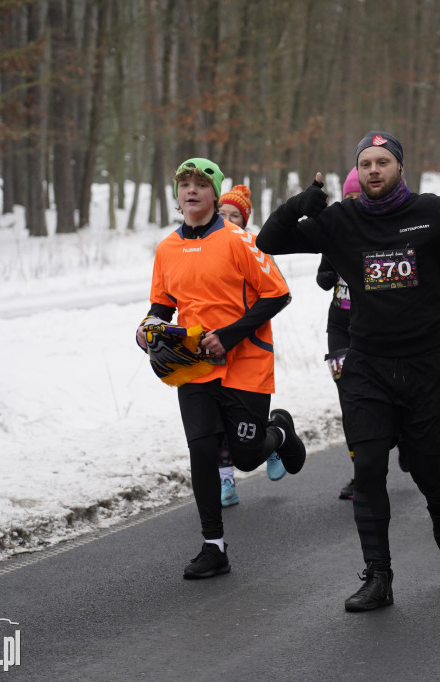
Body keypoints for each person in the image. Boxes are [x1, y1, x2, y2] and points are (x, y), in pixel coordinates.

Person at [257, 131, 440, 612]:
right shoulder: (340, 220)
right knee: (370, 466)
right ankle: (379, 576)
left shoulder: (431, 212)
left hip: (428, 365)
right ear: (358, 172)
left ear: (399, 167)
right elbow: (268, 240)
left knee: (423, 465)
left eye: (383, 161)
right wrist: (301, 201)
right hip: (368, 365)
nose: (374, 170)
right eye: (366, 163)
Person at [136, 158, 306, 580]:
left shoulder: (239, 241)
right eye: (184, 185)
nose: (191, 191)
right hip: (194, 367)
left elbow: (278, 295)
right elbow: (162, 306)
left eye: (200, 184)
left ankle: (279, 429)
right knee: (202, 450)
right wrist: (148, 329)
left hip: (245, 363)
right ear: (177, 196)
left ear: (214, 194)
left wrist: (228, 335)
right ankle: (213, 547)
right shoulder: (167, 248)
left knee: (246, 457)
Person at [209, 184, 289, 508]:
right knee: (215, 427)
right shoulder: (204, 248)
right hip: (212, 356)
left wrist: (234, 330)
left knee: (247, 447)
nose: (228, 220)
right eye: (222, 215)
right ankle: (225, 481)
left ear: (244, 223)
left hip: (248, 354)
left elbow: (276, 294)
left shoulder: (254, 248)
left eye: (235, 216)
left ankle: (273, 439)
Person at [315, 167, 362, 500]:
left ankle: (402, 437)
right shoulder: (336, 232)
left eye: (360, 197)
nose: (355, 203)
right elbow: (322, 277)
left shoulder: (385, 233)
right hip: (340, 326)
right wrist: (330, 272)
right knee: (349, 400)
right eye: (350, 197)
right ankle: (360, 473)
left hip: (375, 328)